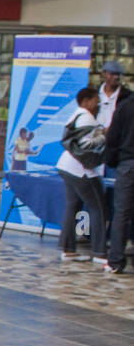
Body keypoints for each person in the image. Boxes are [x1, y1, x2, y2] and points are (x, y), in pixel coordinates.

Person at [57, 88, 107, 264]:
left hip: (66, 166)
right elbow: (86, 145)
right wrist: (103, 137)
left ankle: (68, 249)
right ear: (86, 101)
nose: (98, 103)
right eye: (96, 100)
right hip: (82, 170)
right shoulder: (86, 117)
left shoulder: (76, 115)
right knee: (99, 208)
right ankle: (100, 252)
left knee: (73, 207)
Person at [102, 88, 134, 273]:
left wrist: (113, 161)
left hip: (127, 164)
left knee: (121, 213)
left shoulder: (124, 107)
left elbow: (112, 138)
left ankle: (115, 261)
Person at [98, 60, 132, 129]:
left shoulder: (127, 96)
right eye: (112, 74)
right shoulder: (95, 93)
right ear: (103, 74)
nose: (116, 77)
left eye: (118, 74)